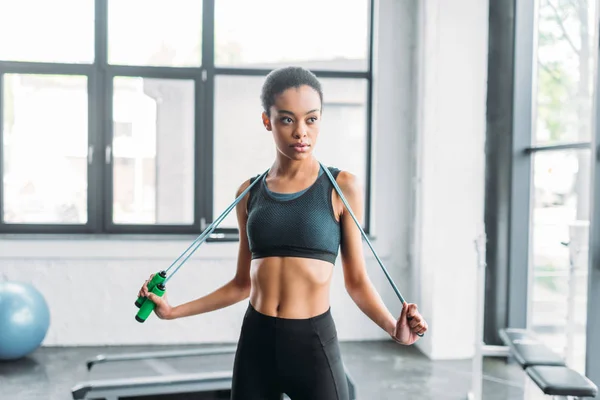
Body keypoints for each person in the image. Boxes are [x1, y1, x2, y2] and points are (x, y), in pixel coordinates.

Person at [138, 66, 428, 400]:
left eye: (312, 119)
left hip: (312, 343)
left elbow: (357, 282)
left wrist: (395, 329)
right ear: (267, 121)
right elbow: (241, 285)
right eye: (287, 119)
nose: (301, 132)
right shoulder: (249, 192)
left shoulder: (341, 187)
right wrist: (173, 311)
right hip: (256, 341)